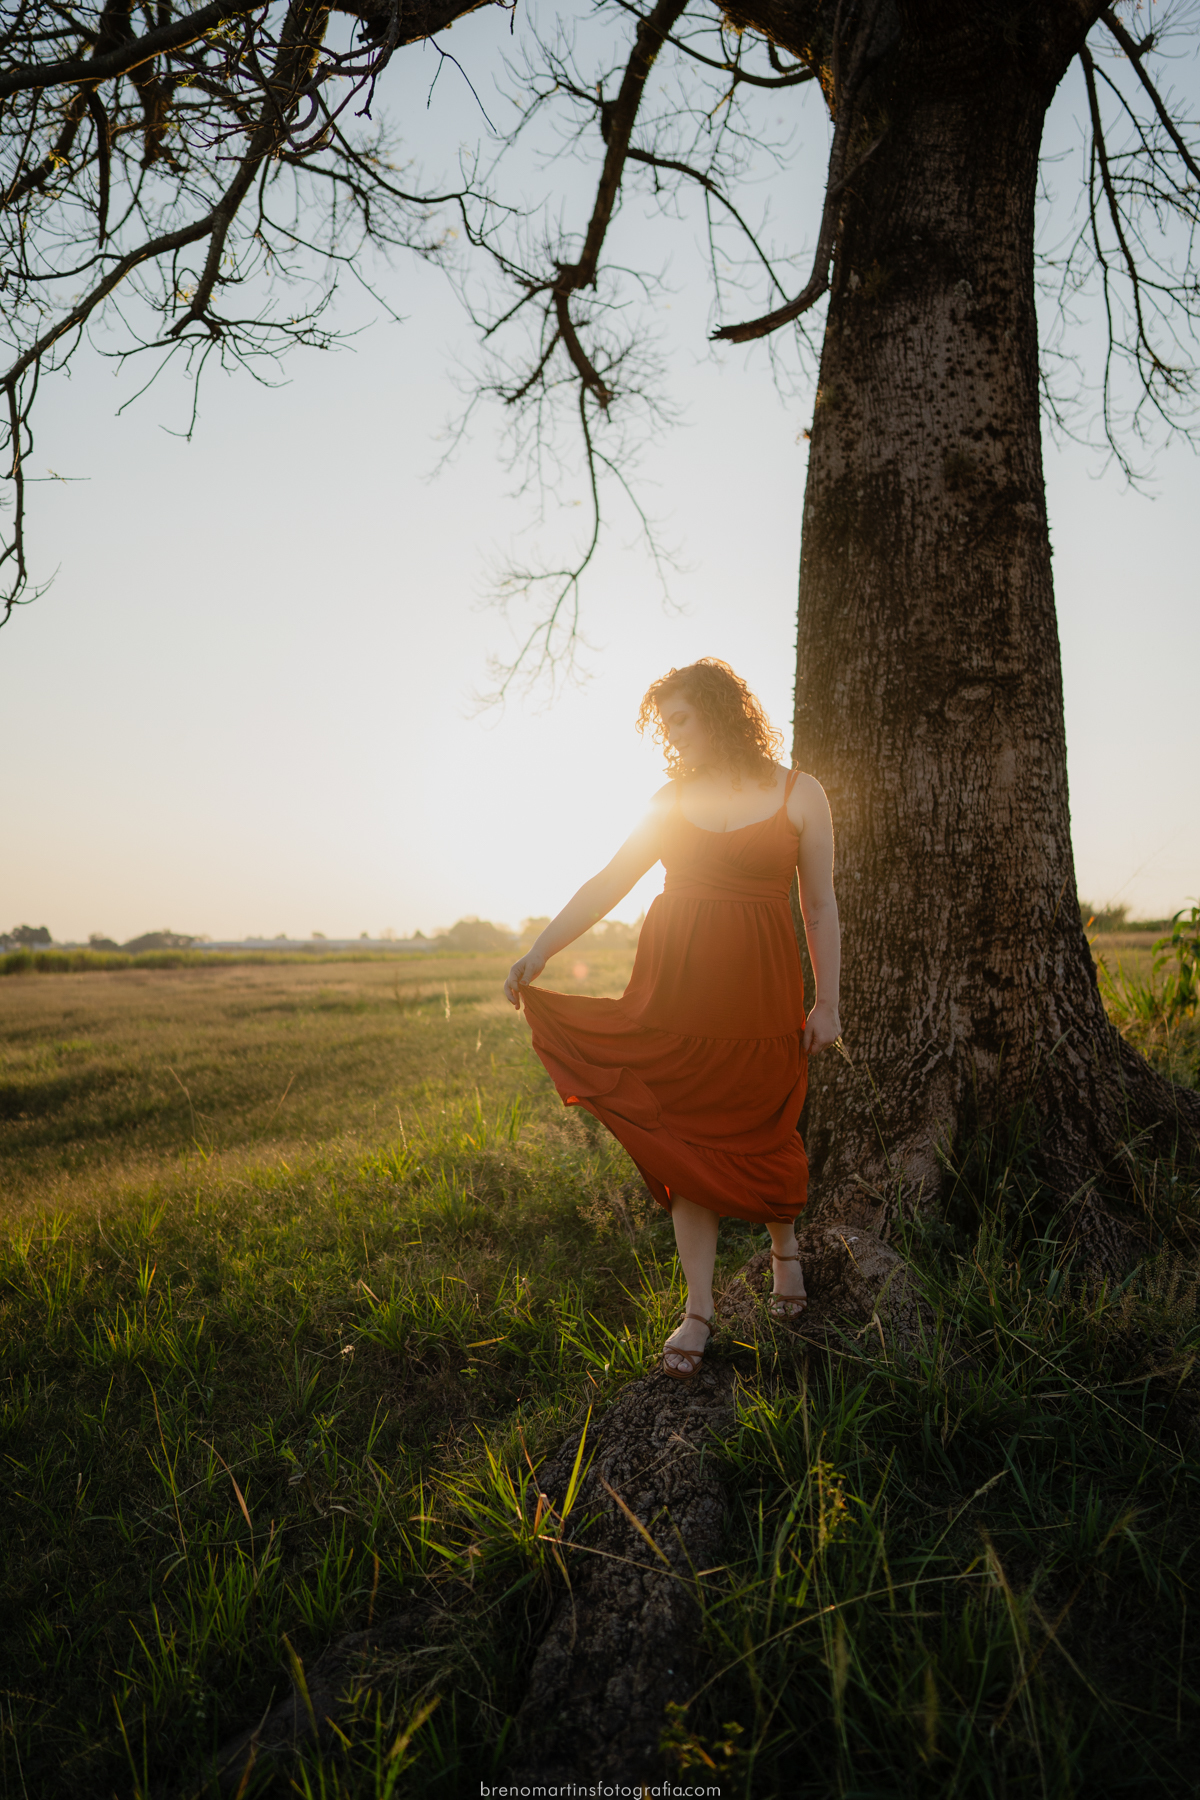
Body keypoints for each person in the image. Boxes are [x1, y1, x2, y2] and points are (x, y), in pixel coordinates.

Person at [504, 658, 842, 1378]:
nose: (671, 733)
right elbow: (609, 882)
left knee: (766, 1124)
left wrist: (829, 1001)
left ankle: (785, 1251)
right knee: (682, 1138)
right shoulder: (668, 799)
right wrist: (539, 951)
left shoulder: (799, 791)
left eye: (681, 717)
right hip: (672, 995)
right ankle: (698, 1309)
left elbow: (819, 906)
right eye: (665, 723)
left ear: (720, 713)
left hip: (760, 994)